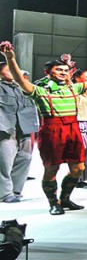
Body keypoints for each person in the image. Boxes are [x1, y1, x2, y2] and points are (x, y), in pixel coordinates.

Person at [0, 40, 87, 215]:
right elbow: (20, 79)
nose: (63, 73)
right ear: (48, 73)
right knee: (51, 169)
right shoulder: (40, 90)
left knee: (79, 168)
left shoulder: (74, 88)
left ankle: (65, 198)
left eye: (66, 70)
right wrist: (10, 57)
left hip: (73, 129)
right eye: (59, 70)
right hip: (52, 130)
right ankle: (53, 203)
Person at [0, 56, 40, 205]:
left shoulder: (23, 87)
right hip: (5, 129)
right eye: (8, 69)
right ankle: (5, 194)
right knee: (4, 163)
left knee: (25, 158)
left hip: (24, 129)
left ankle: (16, 190)